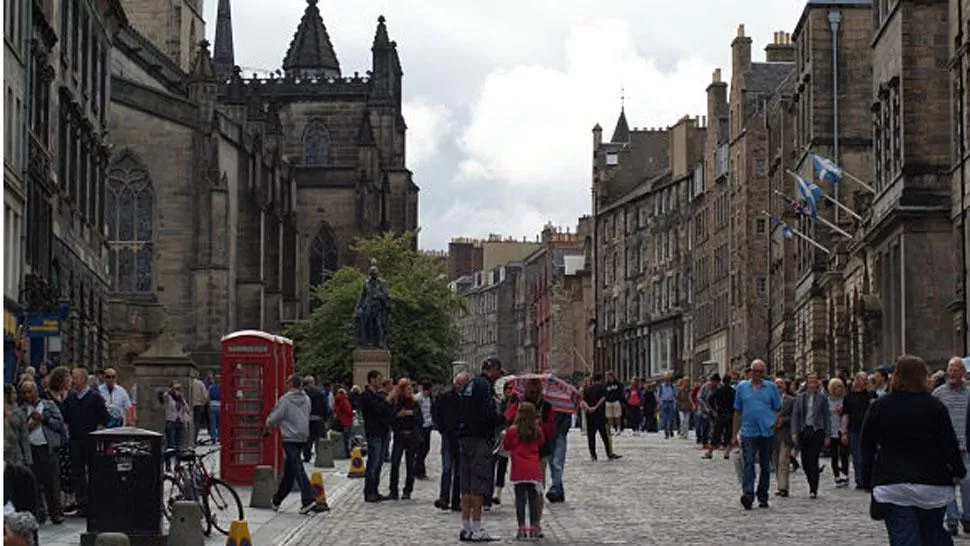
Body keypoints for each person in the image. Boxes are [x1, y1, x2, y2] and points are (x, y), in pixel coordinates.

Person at [863, 354, 966, 545]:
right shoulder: (935, 406)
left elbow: (866, 444)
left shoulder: (880, 406)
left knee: (904, 535)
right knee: (932, 534)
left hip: (892, 481)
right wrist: (958, 470)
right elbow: (948, 443)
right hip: (931, 482)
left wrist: (868, 477)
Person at [264, 374, 327, 514]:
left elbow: (276, 416)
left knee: (297, 468)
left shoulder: (286, 399)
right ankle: (277, 500)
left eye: (287, 382)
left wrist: (268, 423)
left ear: (292, 384)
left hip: (289, 437)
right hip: (303, 435)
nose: (286, 384)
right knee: (290, 472)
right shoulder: (306, 398)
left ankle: (308, 500)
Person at [457, 357, 504, 542]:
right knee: (478, 484)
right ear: (491, 369)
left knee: (466, 485)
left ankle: (466, 527)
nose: (499, 376)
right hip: (478, 440)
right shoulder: (484, 386)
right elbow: (487, 414)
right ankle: (476, 528)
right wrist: (502, 418)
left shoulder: (471, 384)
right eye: (498, 372)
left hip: (466, 438)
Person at [732, 359, 781, 510]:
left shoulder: (771, 388)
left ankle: (763, 495)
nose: (757, 375)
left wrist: (775, 422)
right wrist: (734, 434)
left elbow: (777, 408)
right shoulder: (742, 387)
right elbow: (737, 411)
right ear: (750, 371)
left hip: (766, 431)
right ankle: (748, 494)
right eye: (755, 371)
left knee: (765, 465)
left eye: (761, 372)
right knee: (748, 463)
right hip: (748, 431)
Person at [502, 402, 545, 540]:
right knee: (533, 499)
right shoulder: (536, 430)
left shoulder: (512, 431)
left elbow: (507, 446)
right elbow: (542, 443)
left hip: (518, 469)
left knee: (520, 499)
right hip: (533, 469)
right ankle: (533, 527)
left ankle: (521, 528)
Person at [791, 371, 830, 499]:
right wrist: (794, 432)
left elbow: (826, 417)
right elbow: (796, 416)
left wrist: (827, 435)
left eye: (815, 380)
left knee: (813, 459)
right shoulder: (800, 397)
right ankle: (810, 481)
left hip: (817, 431)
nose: (812, 383)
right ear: (806, 383)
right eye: (810, 381)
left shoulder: (822, 398)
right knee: (805, 461)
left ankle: (814, 488)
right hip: (804, 431)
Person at [434, 372, 468, 511]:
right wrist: (442, 429)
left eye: (462, 384)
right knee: (447, 468)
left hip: (461, 436)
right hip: (448, 435)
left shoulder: (467, 398)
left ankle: (456, 500)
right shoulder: (446, 396)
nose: (459, 386)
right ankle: (444, 497)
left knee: (459, 470)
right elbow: (436, 412)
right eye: (457, 383)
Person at [386, 378, 423, 500]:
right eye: (407, 389)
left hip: (411, 436)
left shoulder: (414, 403)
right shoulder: (395, 403)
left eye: (410, 389)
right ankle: (393, 490)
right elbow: (390, 418)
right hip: (400, 436)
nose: (409, 391)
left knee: (410, 464)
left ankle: (408, 490)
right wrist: (398, 415)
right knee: (395, 463)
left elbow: (420, 419)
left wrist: (412, 413)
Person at [360, 370, 391, 503]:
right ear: (372, 380)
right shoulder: (366, 396)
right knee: (373, 462)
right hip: (373, 432)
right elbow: (376, 410)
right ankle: (369, 491)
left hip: (383, 431)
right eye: (378, 379)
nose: (380, 382)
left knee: (379, 463)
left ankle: (375, 490)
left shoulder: (379, 395)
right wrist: (387, 401)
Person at [160, 381, 192, 471]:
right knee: (170, 445)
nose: (179, 391)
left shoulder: (181, 399)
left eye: (179, 389)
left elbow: (187, 409)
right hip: (171, 422)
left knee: (179, 445)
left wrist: (182, 400)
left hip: (180, 423)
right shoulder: (168, 397)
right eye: (176, 389)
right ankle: (168, 465)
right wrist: (171, 391)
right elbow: (164, 395)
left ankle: (177, 464)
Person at [301, 376, 328, 463]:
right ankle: (320, 456)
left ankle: (307, 456)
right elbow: (325, 406)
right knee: (319, 439)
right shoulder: (319, 393)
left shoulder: (303, 394)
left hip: (307, 419)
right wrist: (325, 418)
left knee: (308, 439)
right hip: (319, 419)